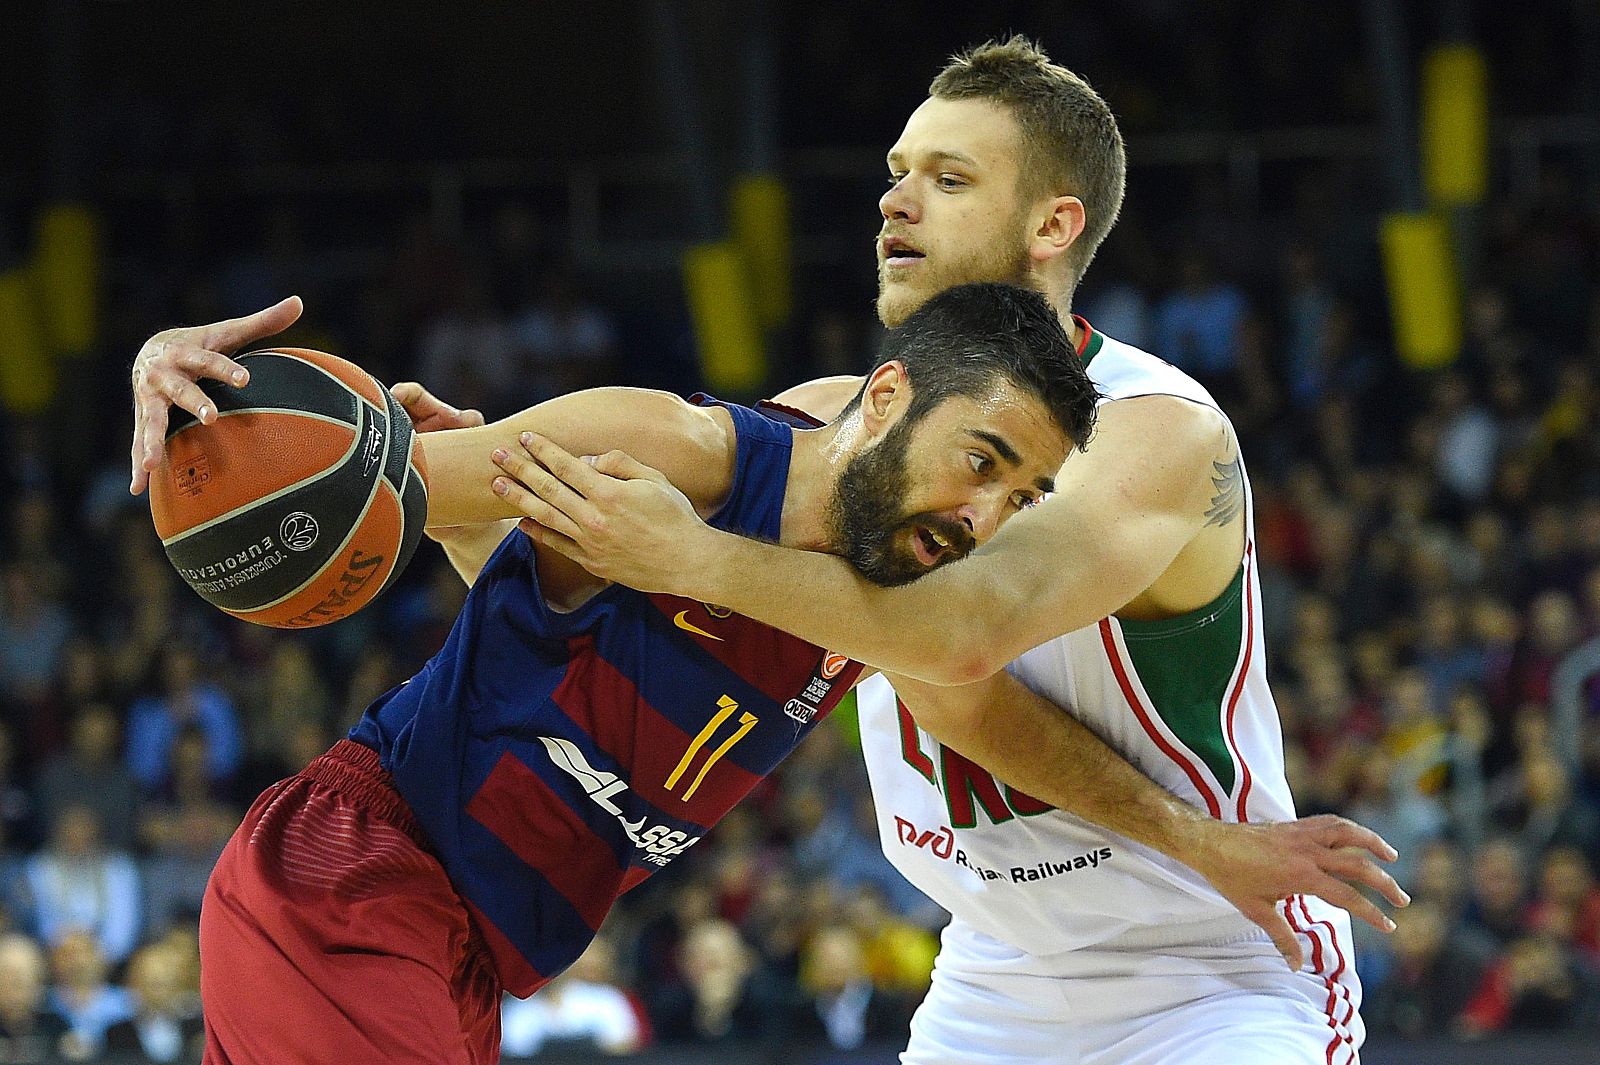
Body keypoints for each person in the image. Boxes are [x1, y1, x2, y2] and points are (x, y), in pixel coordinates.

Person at [499, 37, 1406, 1065]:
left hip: (1213, 967)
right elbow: (954, 699)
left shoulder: (1154, 431)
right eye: (895, 175)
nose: (894, 201)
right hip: (996, 975)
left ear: (1052, 225)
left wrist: (695, 560)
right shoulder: (847, 424)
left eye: (948, 177)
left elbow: (960, 633)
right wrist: (465, 512)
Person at [129, 282, 1100, 1063]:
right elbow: (334, 486)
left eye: (1020, 496)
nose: (983, 518)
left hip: (471, 955)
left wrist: (524, 551)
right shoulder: (672, 453)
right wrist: (195, 408)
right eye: (980, 463)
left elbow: (550, 612)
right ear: (882, 400)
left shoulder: (895, 577)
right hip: (358, 878)